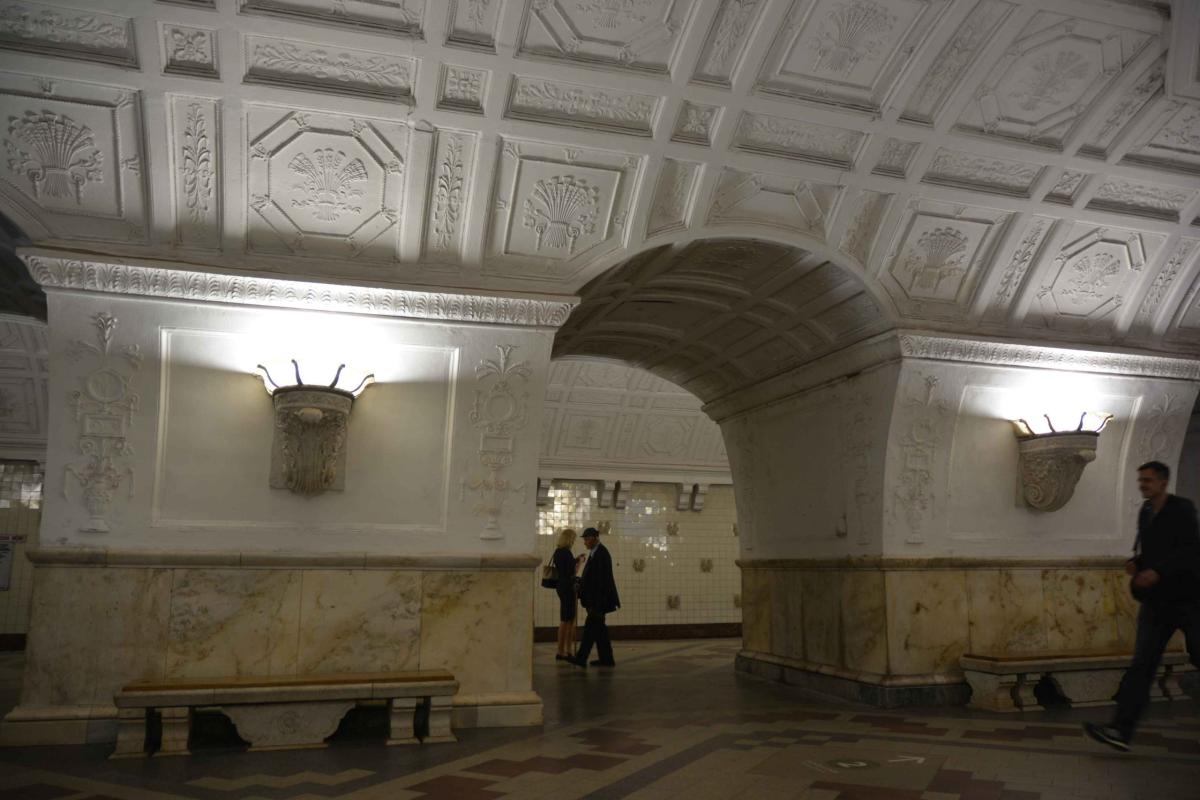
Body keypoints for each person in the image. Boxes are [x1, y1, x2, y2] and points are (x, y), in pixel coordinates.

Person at [1084, 460, 1200, 752]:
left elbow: (1190, 550)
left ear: (1162, 482)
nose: (1142, 485)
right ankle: (1121, 730)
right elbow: (1149, 551)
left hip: (1187, 600)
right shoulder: (1146, 511)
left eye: (1147, 480)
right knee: (1142, 665)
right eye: (1141, 480)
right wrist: (1137, 563)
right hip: (1157, 603)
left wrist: (1158, 571)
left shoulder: (1182, 509)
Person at [567, 526, 620, 669]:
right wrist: (580, 582)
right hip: (597, 599)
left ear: (595, 538)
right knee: (600, 631)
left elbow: (600, 581)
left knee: (590, 630)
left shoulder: (601, 554)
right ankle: (607, 659)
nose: (585, 542)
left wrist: (592, 599)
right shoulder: (595, 553)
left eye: (587, 539)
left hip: (599, 600)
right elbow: (591, 578)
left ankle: (581, 658)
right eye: (584, 539)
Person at [552, 528, 582, 661]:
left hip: (561, 586)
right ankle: (562, 650)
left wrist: (575, 560)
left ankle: (566, 649)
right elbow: (573, 572)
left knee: (567, 619)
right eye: (573, 539)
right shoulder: (566, 552)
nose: (574, 542)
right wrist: (580, 562)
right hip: (568, 588)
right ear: (569, 539)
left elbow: (564, 568)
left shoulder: (558, 552)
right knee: (567, 620)